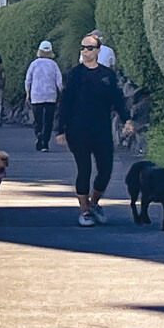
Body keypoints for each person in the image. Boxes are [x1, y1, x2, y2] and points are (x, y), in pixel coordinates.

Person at [57, 33, 134, 228]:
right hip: (78, 129)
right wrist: (60, 129)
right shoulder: (75, 74)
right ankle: (84, 211)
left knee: (106, 170)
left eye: (89, 48)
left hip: (101, 128)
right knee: (84, 169)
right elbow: (66, 101)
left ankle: (94, 203)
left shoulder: (107, 75)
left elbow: (117, 99)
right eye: (82, 47)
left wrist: (127, 120)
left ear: (98, 50)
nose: (85, 51)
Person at [25, 40, 63, 152]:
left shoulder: (34, 64)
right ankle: (45, 143)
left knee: (38, 120)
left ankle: (39, 134)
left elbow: (28, 80)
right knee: (48, 120)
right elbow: (59, 81)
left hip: (36, 96)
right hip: (50, 96)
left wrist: (28, 93)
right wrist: (61, 93)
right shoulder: (54, 65)